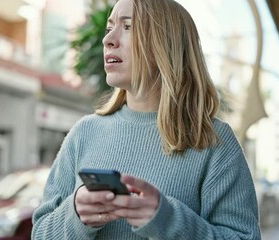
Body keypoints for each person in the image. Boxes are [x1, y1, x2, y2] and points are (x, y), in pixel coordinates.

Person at [32, 0, 261, 239]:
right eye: (109, 27)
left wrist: (166, 220)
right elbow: (40, 233)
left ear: (166, 43)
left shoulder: (215, 141)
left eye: (128, 26)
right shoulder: (84, 133)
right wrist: (76, 214)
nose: (108, 39)